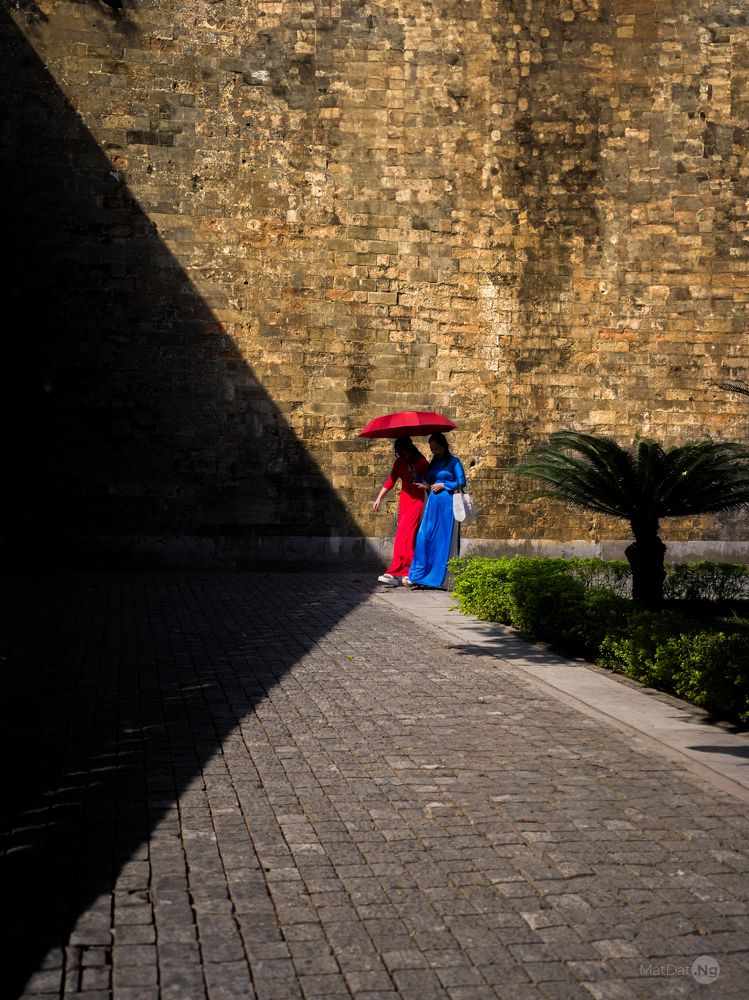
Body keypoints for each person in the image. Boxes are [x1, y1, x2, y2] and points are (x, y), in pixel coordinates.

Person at [406, 432, 466, 589]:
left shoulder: (454, 462)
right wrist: (415, 474)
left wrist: (444, 485)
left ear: (444, 446)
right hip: (433, 504)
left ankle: (438, 578)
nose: (434, 452)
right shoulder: (433, 463)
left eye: (437, 449)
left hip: (447, 504)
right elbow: (427, 481)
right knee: (424, 537)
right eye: (432, 449)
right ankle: (419, 575)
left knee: (442, 540)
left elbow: (462, 482)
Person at [372, 436, 430, 585]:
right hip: (404, 501)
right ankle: (399, 570)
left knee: (408, 535)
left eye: (402, 452)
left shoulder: (421, 461)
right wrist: (379, 498)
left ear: (409, 449)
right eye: (398, 453)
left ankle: (408, 571)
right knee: (401, 535)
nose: (401, 455)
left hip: (417, 501)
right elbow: (391, 480)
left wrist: (417, 475)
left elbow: (430, 481)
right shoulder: (399, 462)